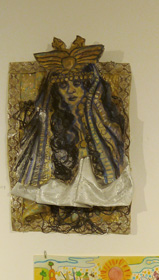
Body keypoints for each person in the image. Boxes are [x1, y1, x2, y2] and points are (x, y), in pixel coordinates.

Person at [11, 36, 133, 209]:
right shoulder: (51, 124)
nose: (71, 90)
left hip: (99, 186)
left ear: (87, 87)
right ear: (56, 91)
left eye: (77, 84)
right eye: (64, 85)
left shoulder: (102, 120)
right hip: (60, 182)